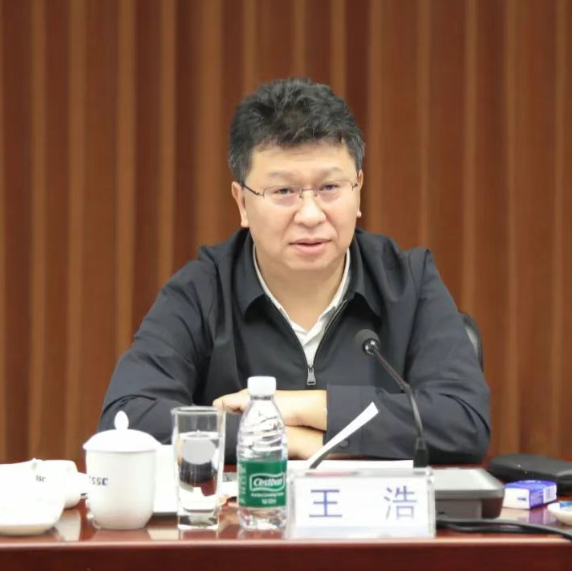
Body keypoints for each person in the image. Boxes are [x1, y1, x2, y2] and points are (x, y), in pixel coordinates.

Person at [99, 77, 491, 464]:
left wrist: (308, 406)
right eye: (283, 191)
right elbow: (129, 419)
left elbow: (463, 421)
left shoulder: (408, 281)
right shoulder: (202, 290)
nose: (310, 214)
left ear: (358, 190)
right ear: (242, 203)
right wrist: (284, 438)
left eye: (330, 187)